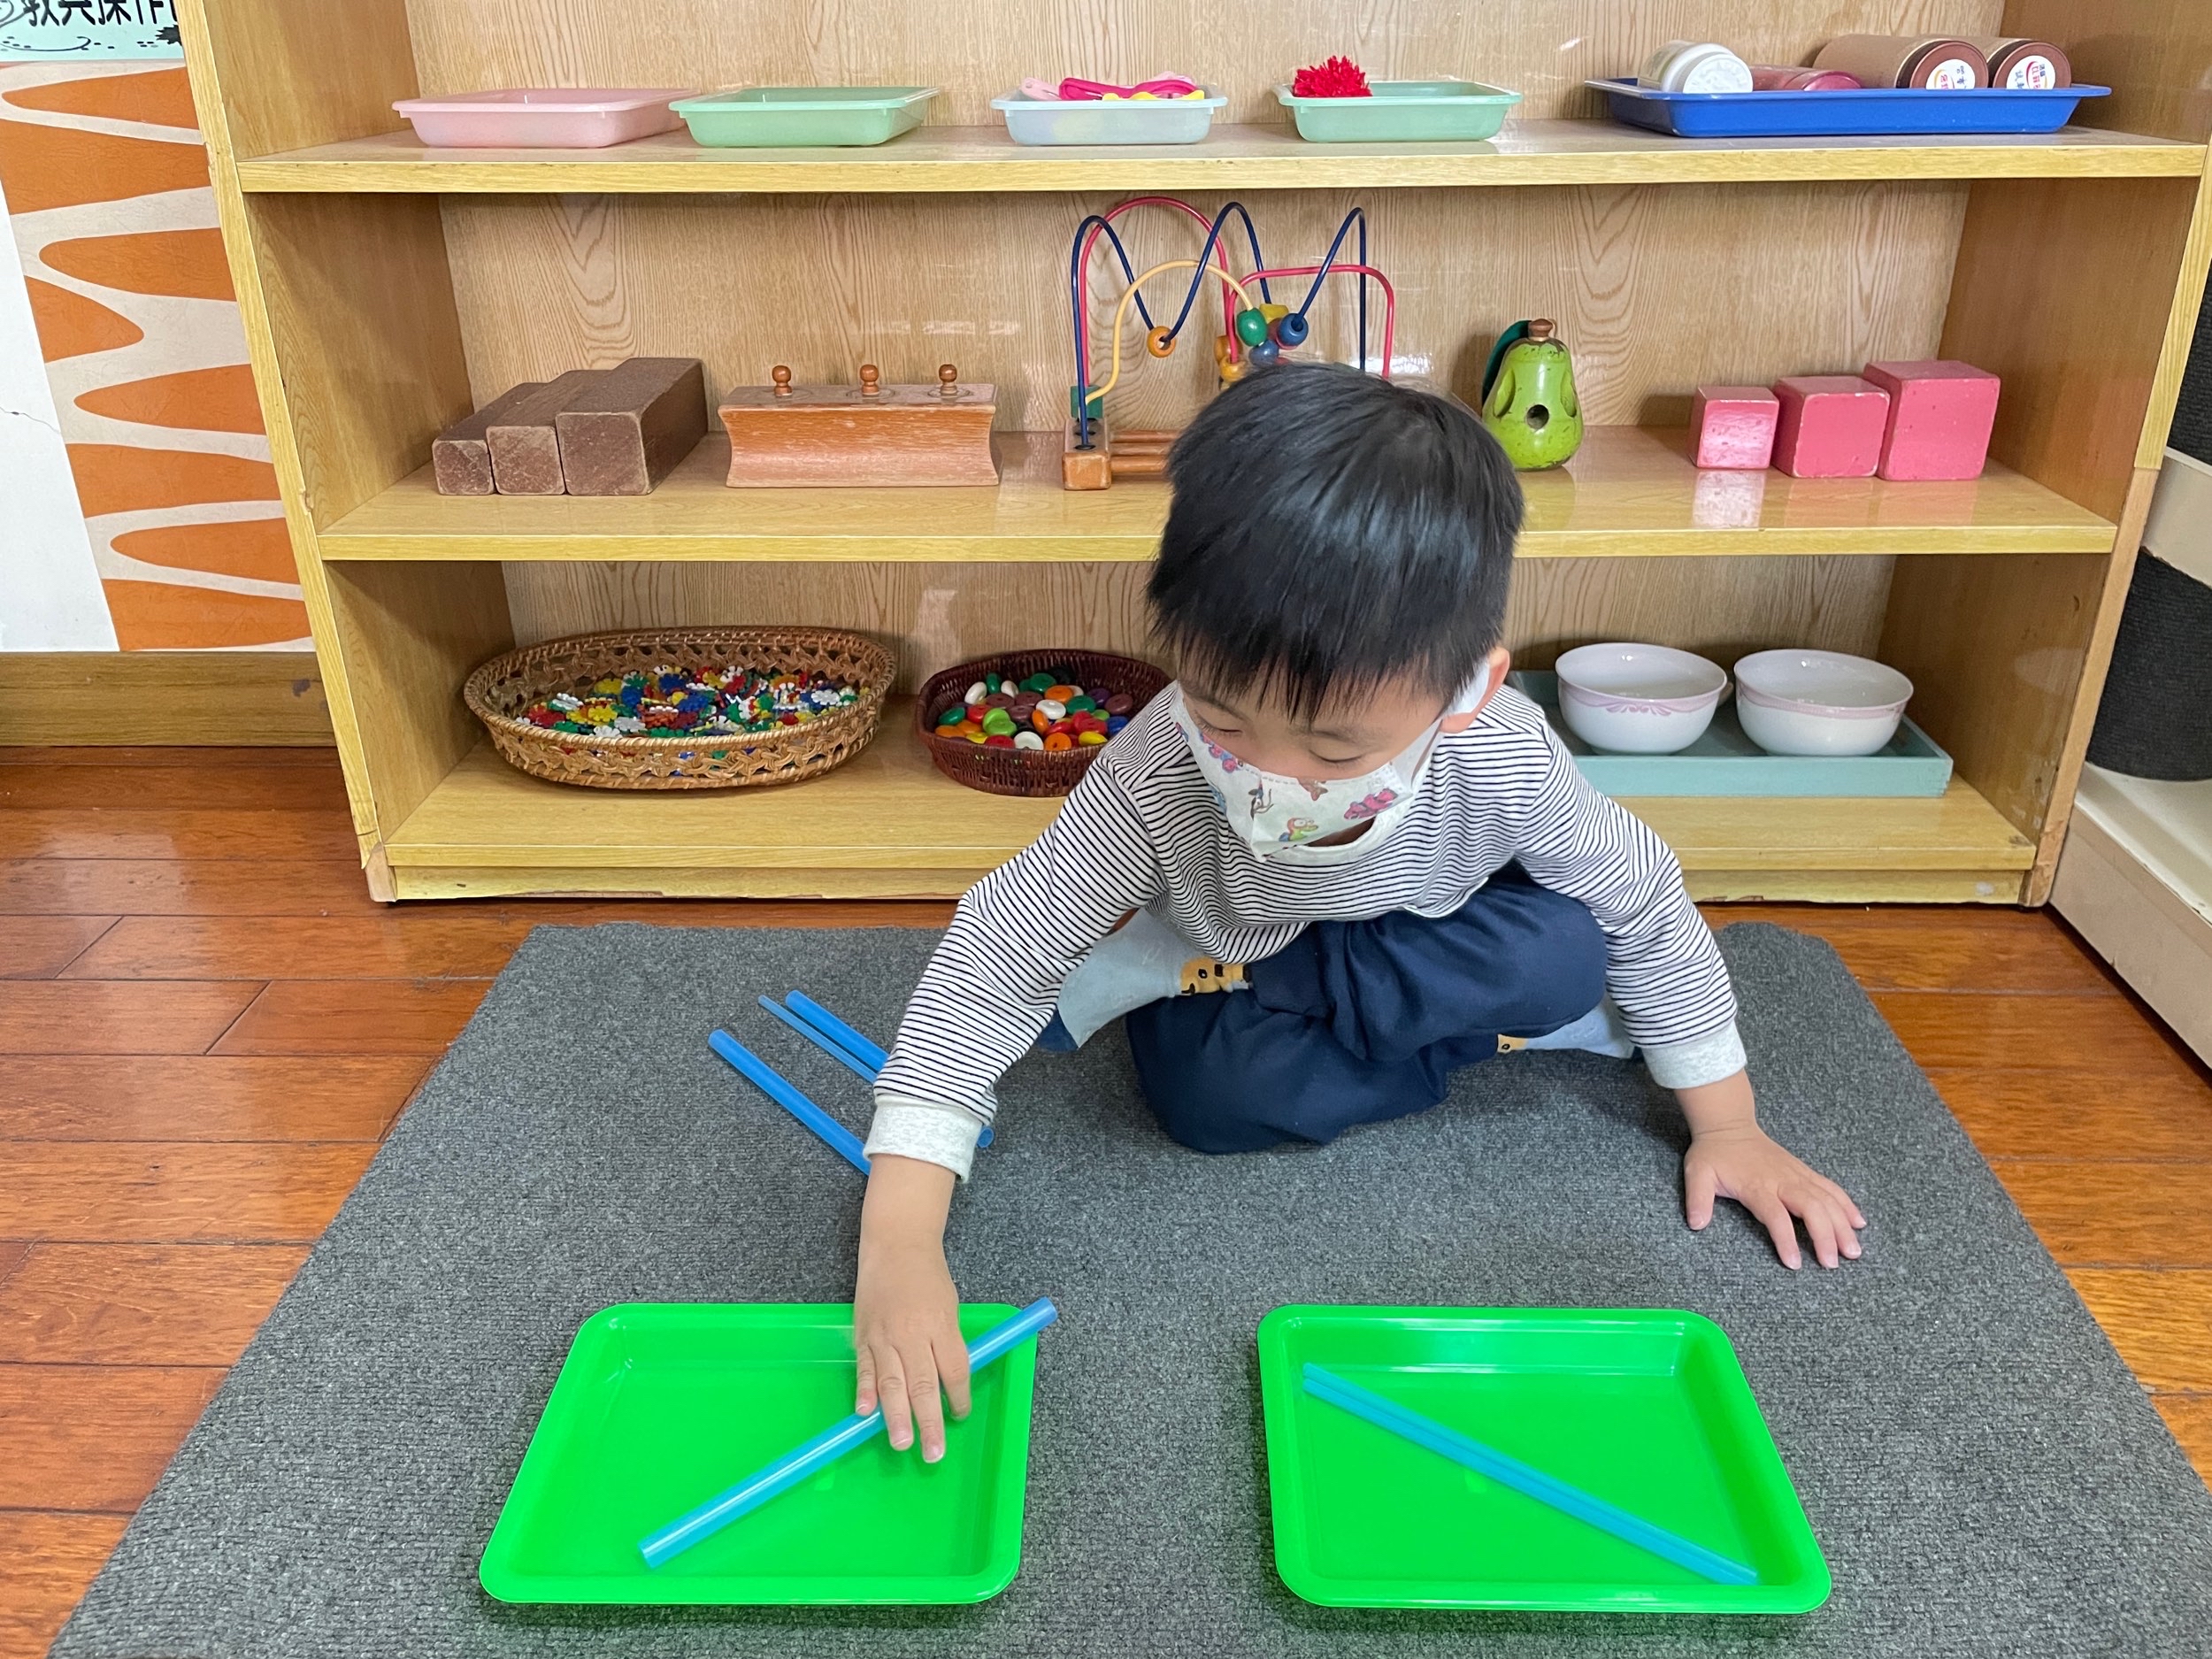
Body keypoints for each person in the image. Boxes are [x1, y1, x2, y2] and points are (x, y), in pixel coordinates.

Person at [851, 362, 1864, 1462]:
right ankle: (1384, 1021)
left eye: (1335, 749)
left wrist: (1729, 1125)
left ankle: (1335, 1000)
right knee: (1204, 1098)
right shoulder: (1153, 771)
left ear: (1468, 690)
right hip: (1232, 956)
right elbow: (998, 949)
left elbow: (1646, 900)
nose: (1269, 774)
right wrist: (899, 1238)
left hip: (1427, 933)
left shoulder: (1505, 754)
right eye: (1221, 716)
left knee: (1566, 953)